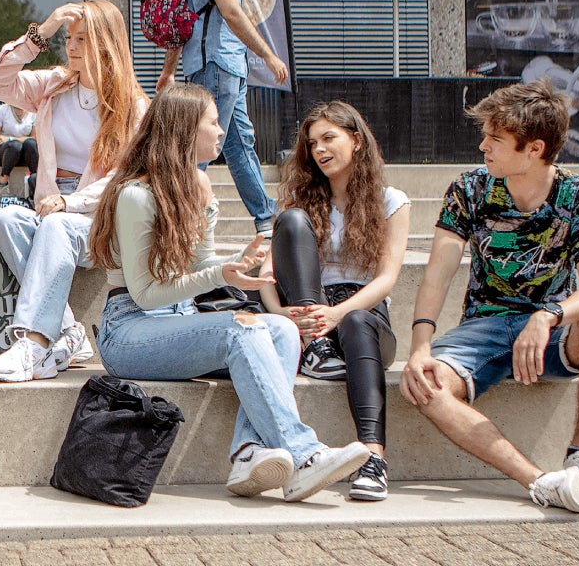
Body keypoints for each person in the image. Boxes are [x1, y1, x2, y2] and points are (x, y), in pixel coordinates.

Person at [86, 85, 372, 503]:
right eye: (213, 122)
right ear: (185, 131)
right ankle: (306, 454)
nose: (222, 132)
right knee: (242, 330)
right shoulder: (136, 195)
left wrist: (236, 266)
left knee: (282, 331)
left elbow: (199, 267)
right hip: (130, 329)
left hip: (182, 322)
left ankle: (247, 452)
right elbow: (147, 294)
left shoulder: (196, 185)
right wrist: (222, 273)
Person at [401, 79, 579, 515]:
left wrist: (547, 317)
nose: (483, 146)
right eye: (485, 135)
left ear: (535, 148)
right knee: (424, 385)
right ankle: (540, 480)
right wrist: (420, 346)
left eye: (495, 139)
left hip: (551, 334)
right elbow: (438, 273)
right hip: (483, 330)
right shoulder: (469, 190)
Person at [0, 0, 147, 383]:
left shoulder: (132, 106)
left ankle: (33, 345)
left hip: (102, 223)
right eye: (68, 37)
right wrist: (42, 31)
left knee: (55, 227)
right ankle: (68, 330)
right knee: (7, 219)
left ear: (106, 43)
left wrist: (70, 202)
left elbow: (125, 176)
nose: (70, 46)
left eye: (82, 38)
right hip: (53, 211)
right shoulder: (53, 85)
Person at [265, 100, 409, 501]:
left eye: (329, 138)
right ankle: (316, 348)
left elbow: (387, 278)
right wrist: (284, 316)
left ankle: (373, 459)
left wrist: (339, 313)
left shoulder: (391, 200)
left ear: (357, 141)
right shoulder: (300, 203)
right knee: (291, 220)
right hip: (313, 314)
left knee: (357, 321)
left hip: (364, 317)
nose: (319, 150)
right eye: (312, 143)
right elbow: (265, 274)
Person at [157, 0, 290, 250]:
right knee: (201, 148)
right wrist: (270, 55)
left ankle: (266, 219)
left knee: (238, 143)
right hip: (218, 66)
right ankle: (176, 218)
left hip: (219, 66)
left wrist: (169, 72)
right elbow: (231, 13)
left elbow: (186, 22)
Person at [0, 102, 36, 199]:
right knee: (15, 146)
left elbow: (35, 138)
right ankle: (3, 184)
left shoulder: (34, 112)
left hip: (24, 152)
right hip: (5, 152)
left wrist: (10, 138)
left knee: (31, 144)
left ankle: (35, 183)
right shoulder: (1, 110)